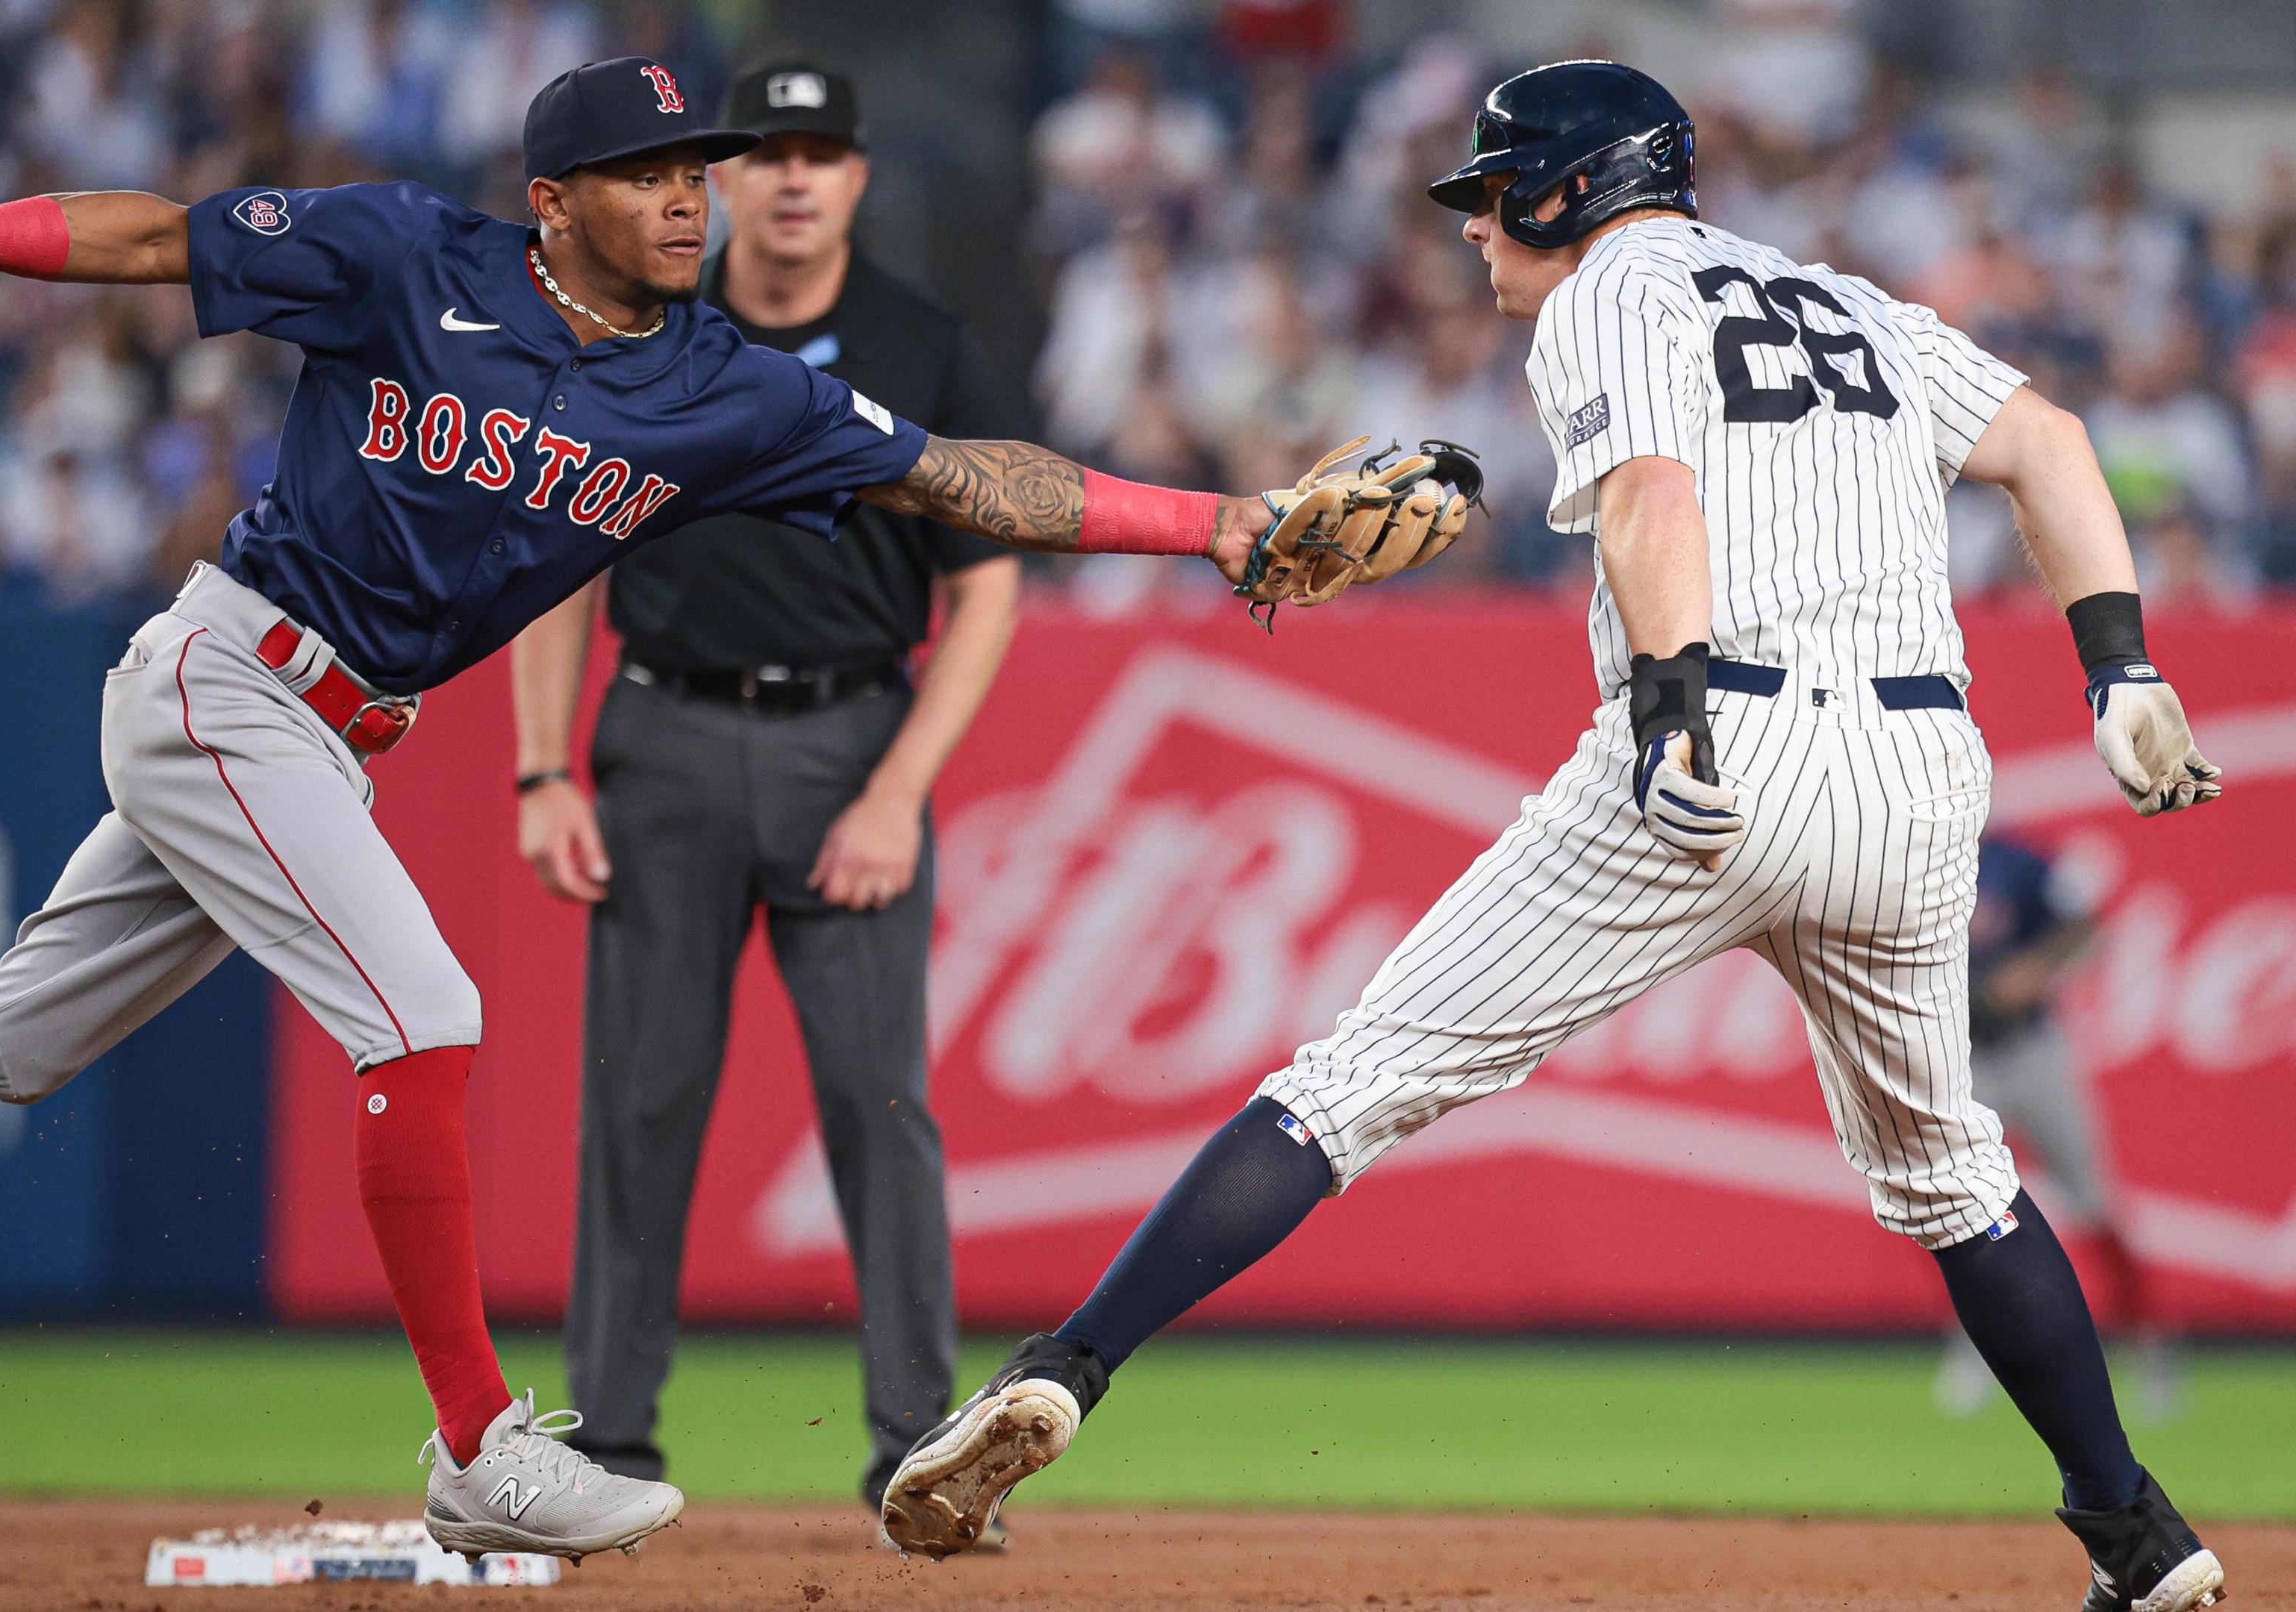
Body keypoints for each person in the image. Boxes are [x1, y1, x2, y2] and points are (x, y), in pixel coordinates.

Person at [0, 55, 1365, 1564]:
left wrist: (1209, 525)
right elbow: (163, 238)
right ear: (555, 203)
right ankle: (479, 1445)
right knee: (429, 1012)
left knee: (5, 1038)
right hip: (234, 674)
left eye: (698, 168)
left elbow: (971, 478)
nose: (692, 194)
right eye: (650, 173)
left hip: (325, 723)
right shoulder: (410, 259)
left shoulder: (726, 388)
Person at [878, 60, 2232, 1612]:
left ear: (1570, 190)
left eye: (1487, 193)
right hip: (1922, 768)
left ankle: (1065, 1372)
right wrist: (2122, 662)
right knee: (1948, 1175)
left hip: (1724, 727)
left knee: (1354, 1084)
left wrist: (1669, 721)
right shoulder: (1846, 299)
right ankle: (2139, 1538)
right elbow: (2051, 441)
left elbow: (1657, 494)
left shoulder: (1608, 291)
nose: (1470, 227)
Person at [508, 58, 1023, 1532]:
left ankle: (918, 1445)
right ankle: (606, 1443)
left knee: (882, 1111)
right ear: (728, 180)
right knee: (640, 1105)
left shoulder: (926, 346)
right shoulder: (640, 332)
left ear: (859, 178)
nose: (794, 178)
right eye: (768, 153)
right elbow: (563, 562)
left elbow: (983, 594)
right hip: (661, 737)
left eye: (823, 153)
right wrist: (545, 767)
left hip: (851, 738)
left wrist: (899, 790)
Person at [1935, 834, 2181, 1422]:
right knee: (1957, 1211)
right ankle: (1977, 1352)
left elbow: (2086, 925)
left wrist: (2038, 968)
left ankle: (2148, 1350)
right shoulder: (1912, 855)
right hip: (1963, 1054)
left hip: (2032, 1051)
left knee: (2093, 1201)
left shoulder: (2014, 861)